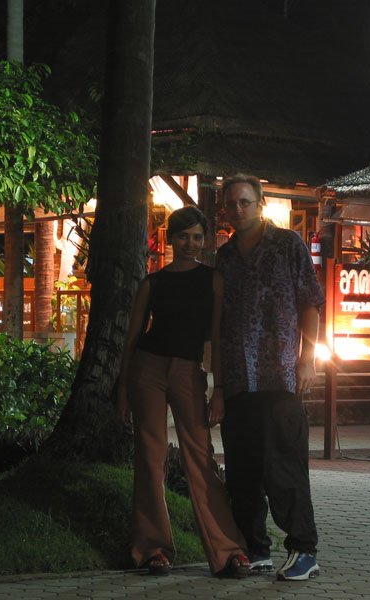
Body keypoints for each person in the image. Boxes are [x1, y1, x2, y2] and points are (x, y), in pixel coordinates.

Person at [116, 205, 250, 578]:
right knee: (150, 455)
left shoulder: (214, 280)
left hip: (189, 371)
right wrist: (123, 390)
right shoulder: (153, 283)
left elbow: (219, 339)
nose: (190, 244)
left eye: (196, 237)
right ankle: (152, 550)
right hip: (148, 368)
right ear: (170, 239)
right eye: (182, 237)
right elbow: (131, 341)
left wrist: (218, 389)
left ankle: (227, 552)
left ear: (204, 240)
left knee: (200, 458)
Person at [211, 173, 324, 581]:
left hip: (279, 375)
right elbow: (219, 325)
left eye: (245, 202)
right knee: (242, 469)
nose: (237, 210)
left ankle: (303, 549)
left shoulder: (287, 245)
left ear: (260, 203)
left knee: (285, 465)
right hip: (239, 379)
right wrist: (218, 386)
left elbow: (310, 303)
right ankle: (255, 548)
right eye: (231, 204)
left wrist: (308, 357)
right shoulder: (224, 258)